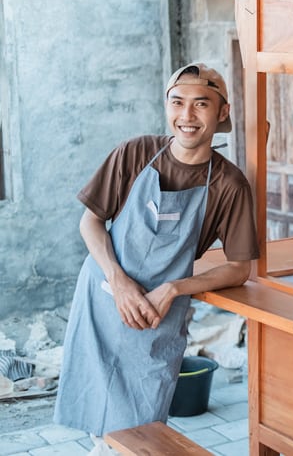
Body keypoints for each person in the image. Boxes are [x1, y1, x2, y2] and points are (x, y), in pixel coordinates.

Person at [53, 63, 259, 444]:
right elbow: (90, 222)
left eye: (201, 104)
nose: (187, 116)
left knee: (143, 427)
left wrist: (174, 289)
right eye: (177, 102)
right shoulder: (135, 153)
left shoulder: (229, 185)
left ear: (223, 112)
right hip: (103, 300)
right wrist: (118, 279)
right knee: (98, 427)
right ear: (167, 106)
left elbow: (238, 268)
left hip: (156, 316)